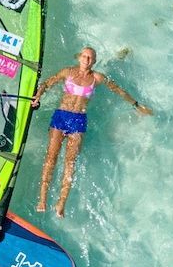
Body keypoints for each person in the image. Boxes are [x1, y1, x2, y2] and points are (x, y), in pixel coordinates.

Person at [31, 47, 153, 217]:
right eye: (84, 56)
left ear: (94, 61)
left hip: (78, 121)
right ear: (79, 57)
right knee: (51, 158)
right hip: (61, 116)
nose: (87, 59)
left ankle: (61, 203)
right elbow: (47, 83)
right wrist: (38, 96)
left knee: (70, 163)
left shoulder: (97, 78)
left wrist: (136, 105)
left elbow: (118, 90)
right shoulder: (68, 72)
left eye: (90, 58)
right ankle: (42, 199)